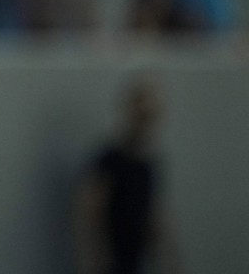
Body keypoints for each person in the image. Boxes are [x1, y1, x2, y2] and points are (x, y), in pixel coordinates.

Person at [74, 76, 184, 274]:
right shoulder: (108, 161)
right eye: (140, 117)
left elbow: (154, 218)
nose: (143, 125)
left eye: (149, 118)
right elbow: (89, 215)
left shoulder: (146, 167)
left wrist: (171, 262)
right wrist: (93, 261)